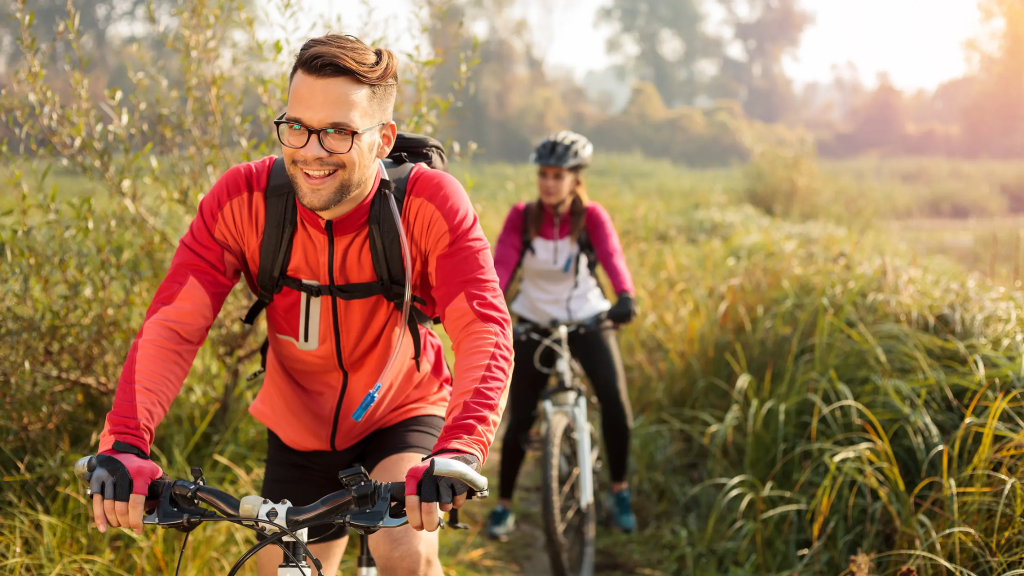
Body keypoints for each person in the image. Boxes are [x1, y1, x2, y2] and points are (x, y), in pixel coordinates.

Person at [83, 34, 513, 576]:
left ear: (383, 140)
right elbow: (173, 326)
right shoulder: (245, 199)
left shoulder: (428, 203)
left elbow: (485, 329)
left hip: (402, 411)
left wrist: (461, 447)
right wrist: (125, 440)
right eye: (297, 126)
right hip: (299, 428)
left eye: (337, 132)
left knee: (404, 553)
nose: (310, 151)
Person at [486, 131, 637, 540]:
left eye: (558, 175)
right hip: (534, 320)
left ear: (575, 179)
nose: (549, 183)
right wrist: (492, 302)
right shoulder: (522, 216)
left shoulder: (591, 218)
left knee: (615, 403)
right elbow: (501, 266)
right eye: (544, 175)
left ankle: (619, 491)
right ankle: (503, 506)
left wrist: (625, 295)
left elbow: (612, 258)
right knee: (521, 416)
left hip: (586, 316)